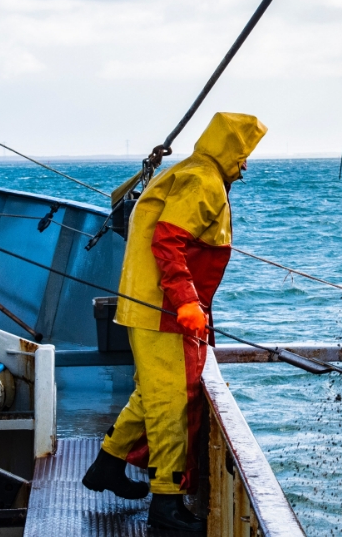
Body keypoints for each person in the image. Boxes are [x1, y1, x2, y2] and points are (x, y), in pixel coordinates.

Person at [82, 112, 266, 532]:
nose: (245, 166)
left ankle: (108, 464)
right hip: (162, 310)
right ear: (230, 151)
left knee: (153, 392)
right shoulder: (203, 181)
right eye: (243, 156)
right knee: (172, 402)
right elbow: (168, 240)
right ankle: (166, 503)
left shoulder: (190, 171)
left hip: (146, 305)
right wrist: (185, 301)